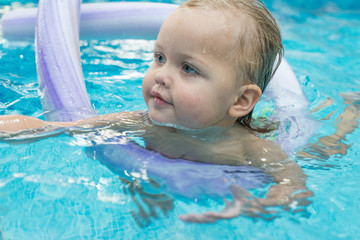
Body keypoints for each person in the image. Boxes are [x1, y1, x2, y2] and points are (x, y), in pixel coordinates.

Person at [0, 0, 316, 223]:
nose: (162, 75)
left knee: (326, 146)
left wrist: (262, 204)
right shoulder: (142, 123)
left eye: (188, 68)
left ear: (240, 101)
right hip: (157, 178)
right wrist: (14, 126)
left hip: (216, 194)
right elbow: (69, 127)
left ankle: (349, 114)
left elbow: (294, 185)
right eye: (160, 57)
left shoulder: (249, 148)